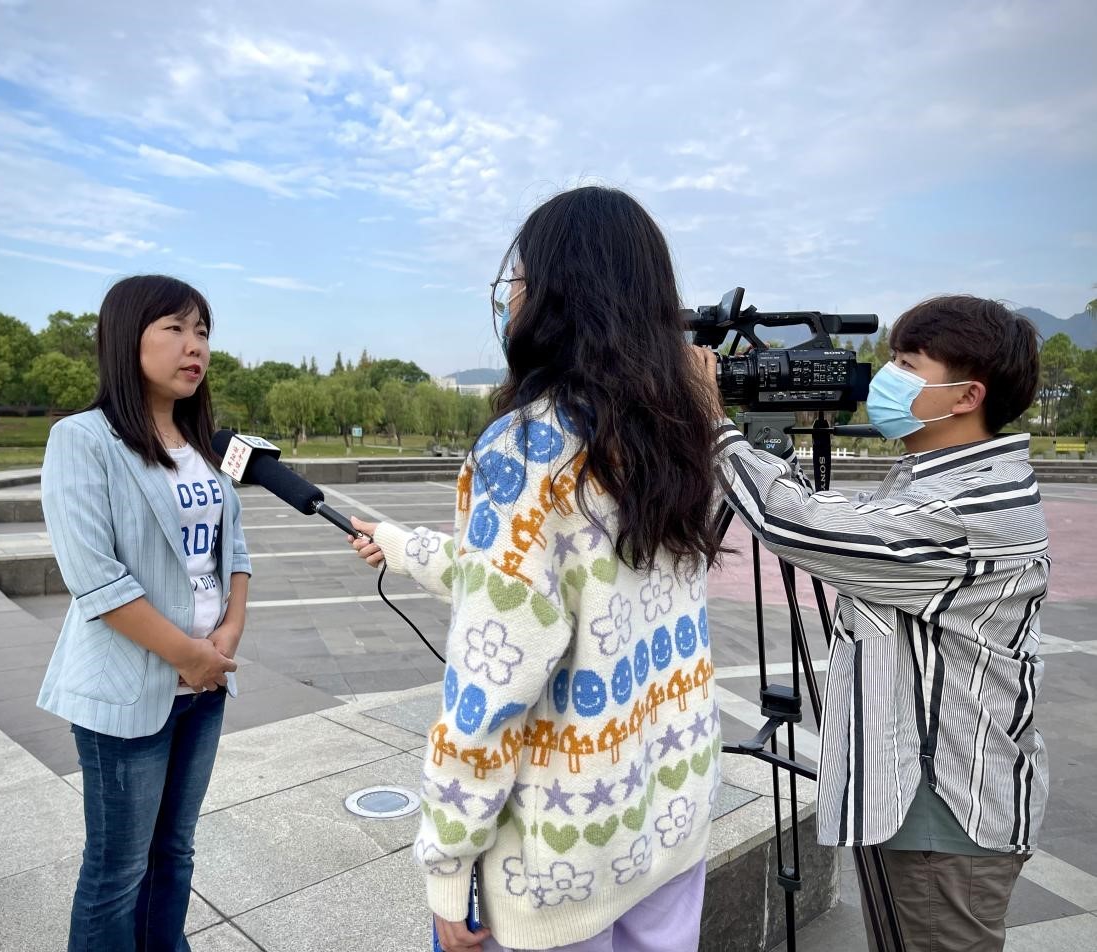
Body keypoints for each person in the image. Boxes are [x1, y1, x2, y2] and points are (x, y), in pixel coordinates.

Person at [349, 186, 724, 952]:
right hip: (667, 828)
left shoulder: (524, 450)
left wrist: (448, 861)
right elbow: (549, 588)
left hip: (556, 868)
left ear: (554, 292)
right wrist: (402, 545)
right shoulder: (682, 436)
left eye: (517, 277)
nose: (508, 295)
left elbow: (492, 682)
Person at [691, 295, 1047, 952]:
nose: (885, 379)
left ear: (966, 395)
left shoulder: (968, 505)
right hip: (918, 798)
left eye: (907, 365)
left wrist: (714, 423)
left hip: (943, 810)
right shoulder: (941, 479)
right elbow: (839, 524)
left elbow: (798, 525)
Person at [37, 274, 251, 951]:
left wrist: (227, 634)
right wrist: (189, 656)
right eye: (175, 329)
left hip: (204, 688)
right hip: (128, 687)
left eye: (203, 332)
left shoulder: (203, 446)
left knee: (175, 854)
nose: (195, 347)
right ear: (128, 338)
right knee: (118, 870)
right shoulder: (83, 439)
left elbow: (234, 552)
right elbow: (95, 579)